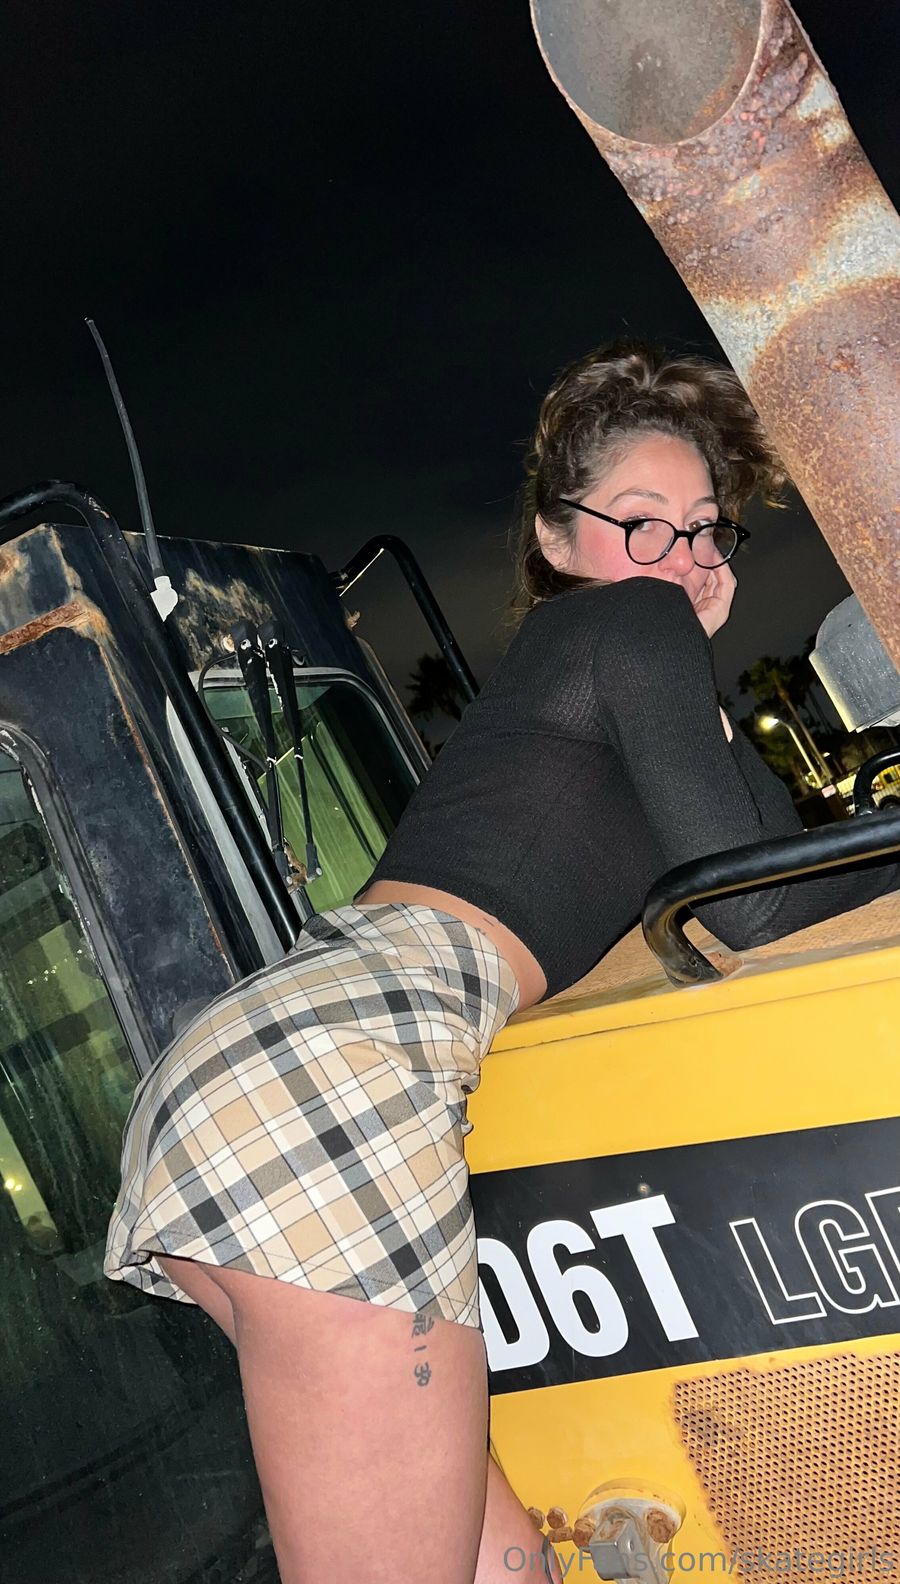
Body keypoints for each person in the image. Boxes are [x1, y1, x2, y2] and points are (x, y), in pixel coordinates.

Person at [105, 338, 900, 1584]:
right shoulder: (625, 626)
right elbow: (750, 910)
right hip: (344, 1079)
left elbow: (753, 875)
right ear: (556, 538)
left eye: (707, 526)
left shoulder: (605, 671)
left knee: (506, 1563)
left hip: (287, 1066)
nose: (686, 553)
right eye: (642, 522)